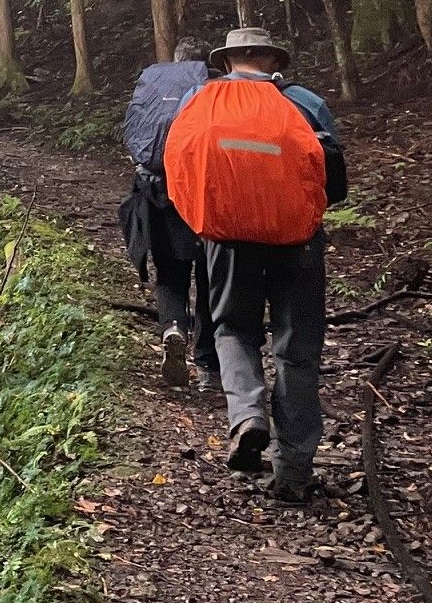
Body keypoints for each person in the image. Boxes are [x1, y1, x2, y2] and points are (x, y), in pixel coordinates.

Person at [164, 28, 348, 504]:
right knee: (297, 348)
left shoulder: (198, 99)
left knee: (231, 330)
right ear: (270, 60)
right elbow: (335, 180)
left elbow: (177, 161)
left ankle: (247, 417)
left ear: (228, 62)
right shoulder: (305, 103)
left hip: (227, 240)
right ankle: (293, 471)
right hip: (297, 243)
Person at [119, 36, 218, 391]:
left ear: (174, 59)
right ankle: (208, 366)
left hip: (157, 191)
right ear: (206, 63)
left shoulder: (152, 83)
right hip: (200, 194)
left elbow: (134, 135)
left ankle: (174, 327)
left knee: (171, 272)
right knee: (209, 278)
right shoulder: (212, 87)